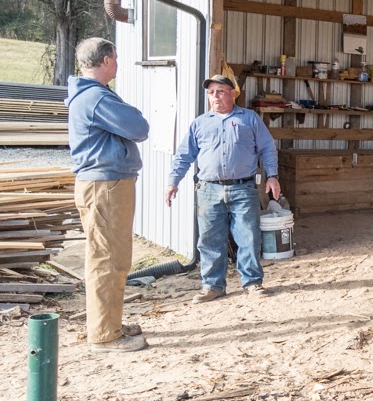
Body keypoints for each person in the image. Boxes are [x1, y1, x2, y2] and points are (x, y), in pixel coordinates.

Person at [66, 37, 150, 353]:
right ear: (105, 60)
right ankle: (104, 335)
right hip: (106, 186)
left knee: (112, 257)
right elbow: (139, 127)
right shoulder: (97, 99)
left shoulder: (91, 96)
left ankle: (109, 324)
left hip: (104, 184)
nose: (117, 64)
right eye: (115, 58)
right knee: (108, 259)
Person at [166, 74, 280, 303]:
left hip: (243, 187)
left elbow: (267, 148)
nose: (215, 96)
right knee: (209, 240)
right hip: (209, 189)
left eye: (220, 91)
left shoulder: (250, 119)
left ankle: (252, 283)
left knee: (248, 237)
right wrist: (173, 181)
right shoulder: (200, 123)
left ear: (232, 93)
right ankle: (212, 286)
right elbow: (184, 155)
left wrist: (272, 176)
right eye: (211, 93)